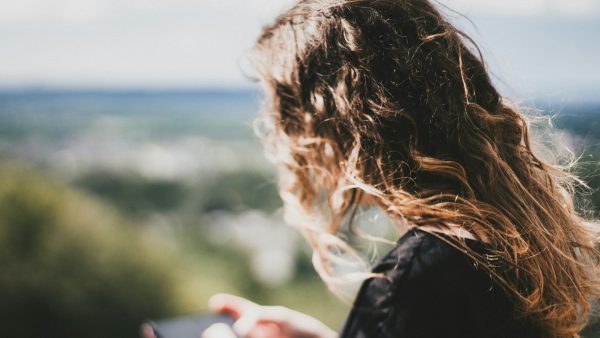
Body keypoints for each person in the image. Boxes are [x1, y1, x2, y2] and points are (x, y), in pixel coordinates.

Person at [202, 0, 600, 337]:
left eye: (285, 109)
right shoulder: (494, 245)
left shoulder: (419, 277)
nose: (279, 134)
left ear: (330, 121)